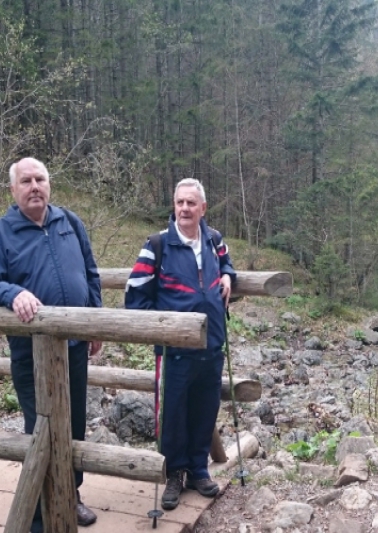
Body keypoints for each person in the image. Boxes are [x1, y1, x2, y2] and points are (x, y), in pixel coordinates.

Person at [0, 157, 101, 532]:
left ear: (49, 184)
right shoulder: (1, 233)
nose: (34, 186)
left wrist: (94, 323)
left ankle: (70, 496)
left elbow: (90, 272)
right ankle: (42, 514)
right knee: (40, 428)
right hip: (31, 353)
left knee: (74, 425)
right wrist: (12, 293)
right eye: (25, 181)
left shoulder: (69, 222)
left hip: (73, 346)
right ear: (13, 190)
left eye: (39, 179)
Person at [124, 177, 236, 511]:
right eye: (179, 203)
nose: (184, 209)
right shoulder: (158, 244)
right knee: (172, 414)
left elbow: (227, 264)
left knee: (205, 408)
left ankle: (198, 470)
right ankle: (173, 473)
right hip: (174, 350)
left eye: (191, 203)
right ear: (174, 206)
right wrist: (161, 330)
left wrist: (229, 275)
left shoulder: (215, 240)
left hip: (213, 343)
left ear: (202, 208)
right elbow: (135, 292)